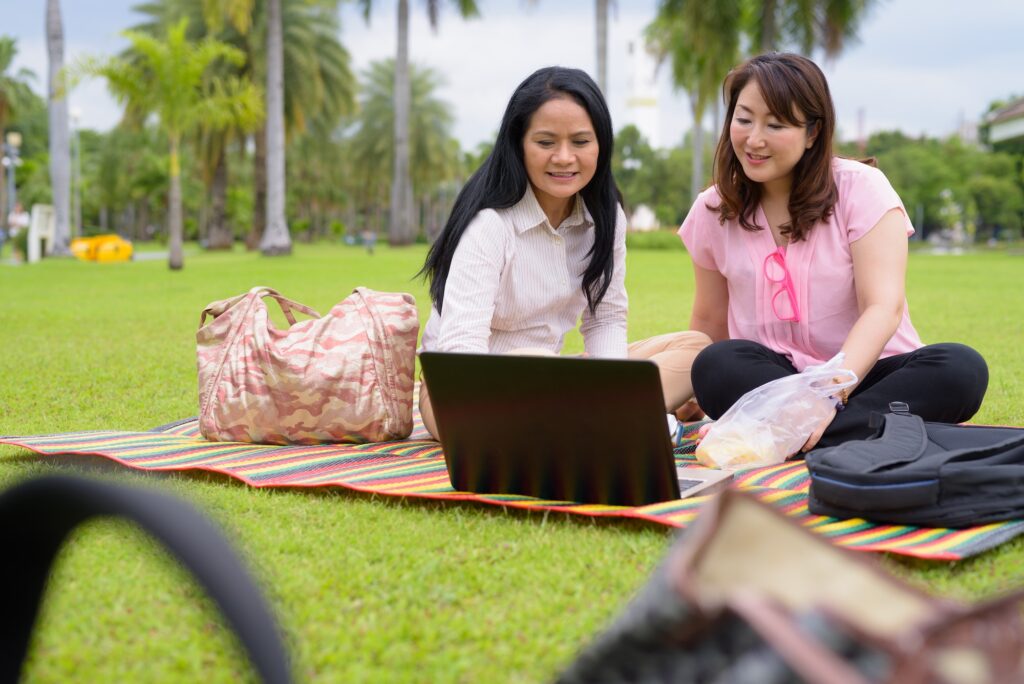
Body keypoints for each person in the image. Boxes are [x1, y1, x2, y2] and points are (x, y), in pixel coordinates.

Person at [680, 53, 988, 452]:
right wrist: (687, 391)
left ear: (812, 132)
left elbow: (883, 307)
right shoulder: (713, 209)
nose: (754, 139)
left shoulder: (863, 189)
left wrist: (825, 397)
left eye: (775, 124)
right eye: (744, 119)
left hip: (871, 373)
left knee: (961, 369)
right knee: (716, 366)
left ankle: (791, 433)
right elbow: (708, 319)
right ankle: (879, 432)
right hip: (776, 381)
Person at [419, 66, 710, 439]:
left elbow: (605, 319)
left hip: (554, 381)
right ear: (518, 144)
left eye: (580, 141)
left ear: (601, 143)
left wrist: (610, 383)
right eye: (545, 142)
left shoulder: (605, 219)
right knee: (537, 366)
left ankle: (599, 408)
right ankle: (611, 414)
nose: (563, 157)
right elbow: (461, 351)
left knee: (697, 351)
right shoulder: (490, 225)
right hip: (466, 393)